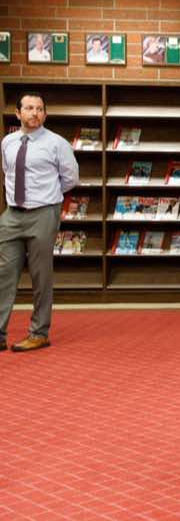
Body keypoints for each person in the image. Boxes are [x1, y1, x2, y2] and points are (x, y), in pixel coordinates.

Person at [0, 92, 79, 353]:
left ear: (45, 114)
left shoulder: (57, 143)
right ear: (18, 113)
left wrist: (48, 196)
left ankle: (39, 333)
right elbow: (7, 173)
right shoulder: (8, 142)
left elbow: (71, 178)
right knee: (3, 274)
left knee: (40, 275)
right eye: (29, 108)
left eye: (39, 109)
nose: (34, 113)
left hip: (43, 213)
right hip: (12, 215)